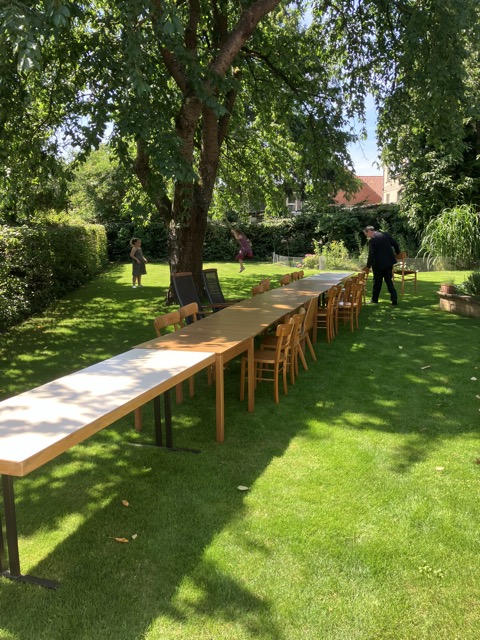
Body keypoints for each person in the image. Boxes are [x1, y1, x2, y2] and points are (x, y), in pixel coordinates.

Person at [362, 226, 400, 305]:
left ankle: (375, 299)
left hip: (378, 264)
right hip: (389, 263)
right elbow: (395, 244)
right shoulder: (385, 235)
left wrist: (368, 266)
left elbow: (371, 254)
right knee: (389, 281)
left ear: (369, 231)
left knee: (377, 282)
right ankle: (394, 298)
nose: (366, 236)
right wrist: (398, 253)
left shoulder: (373, 240)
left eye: (366, 234)